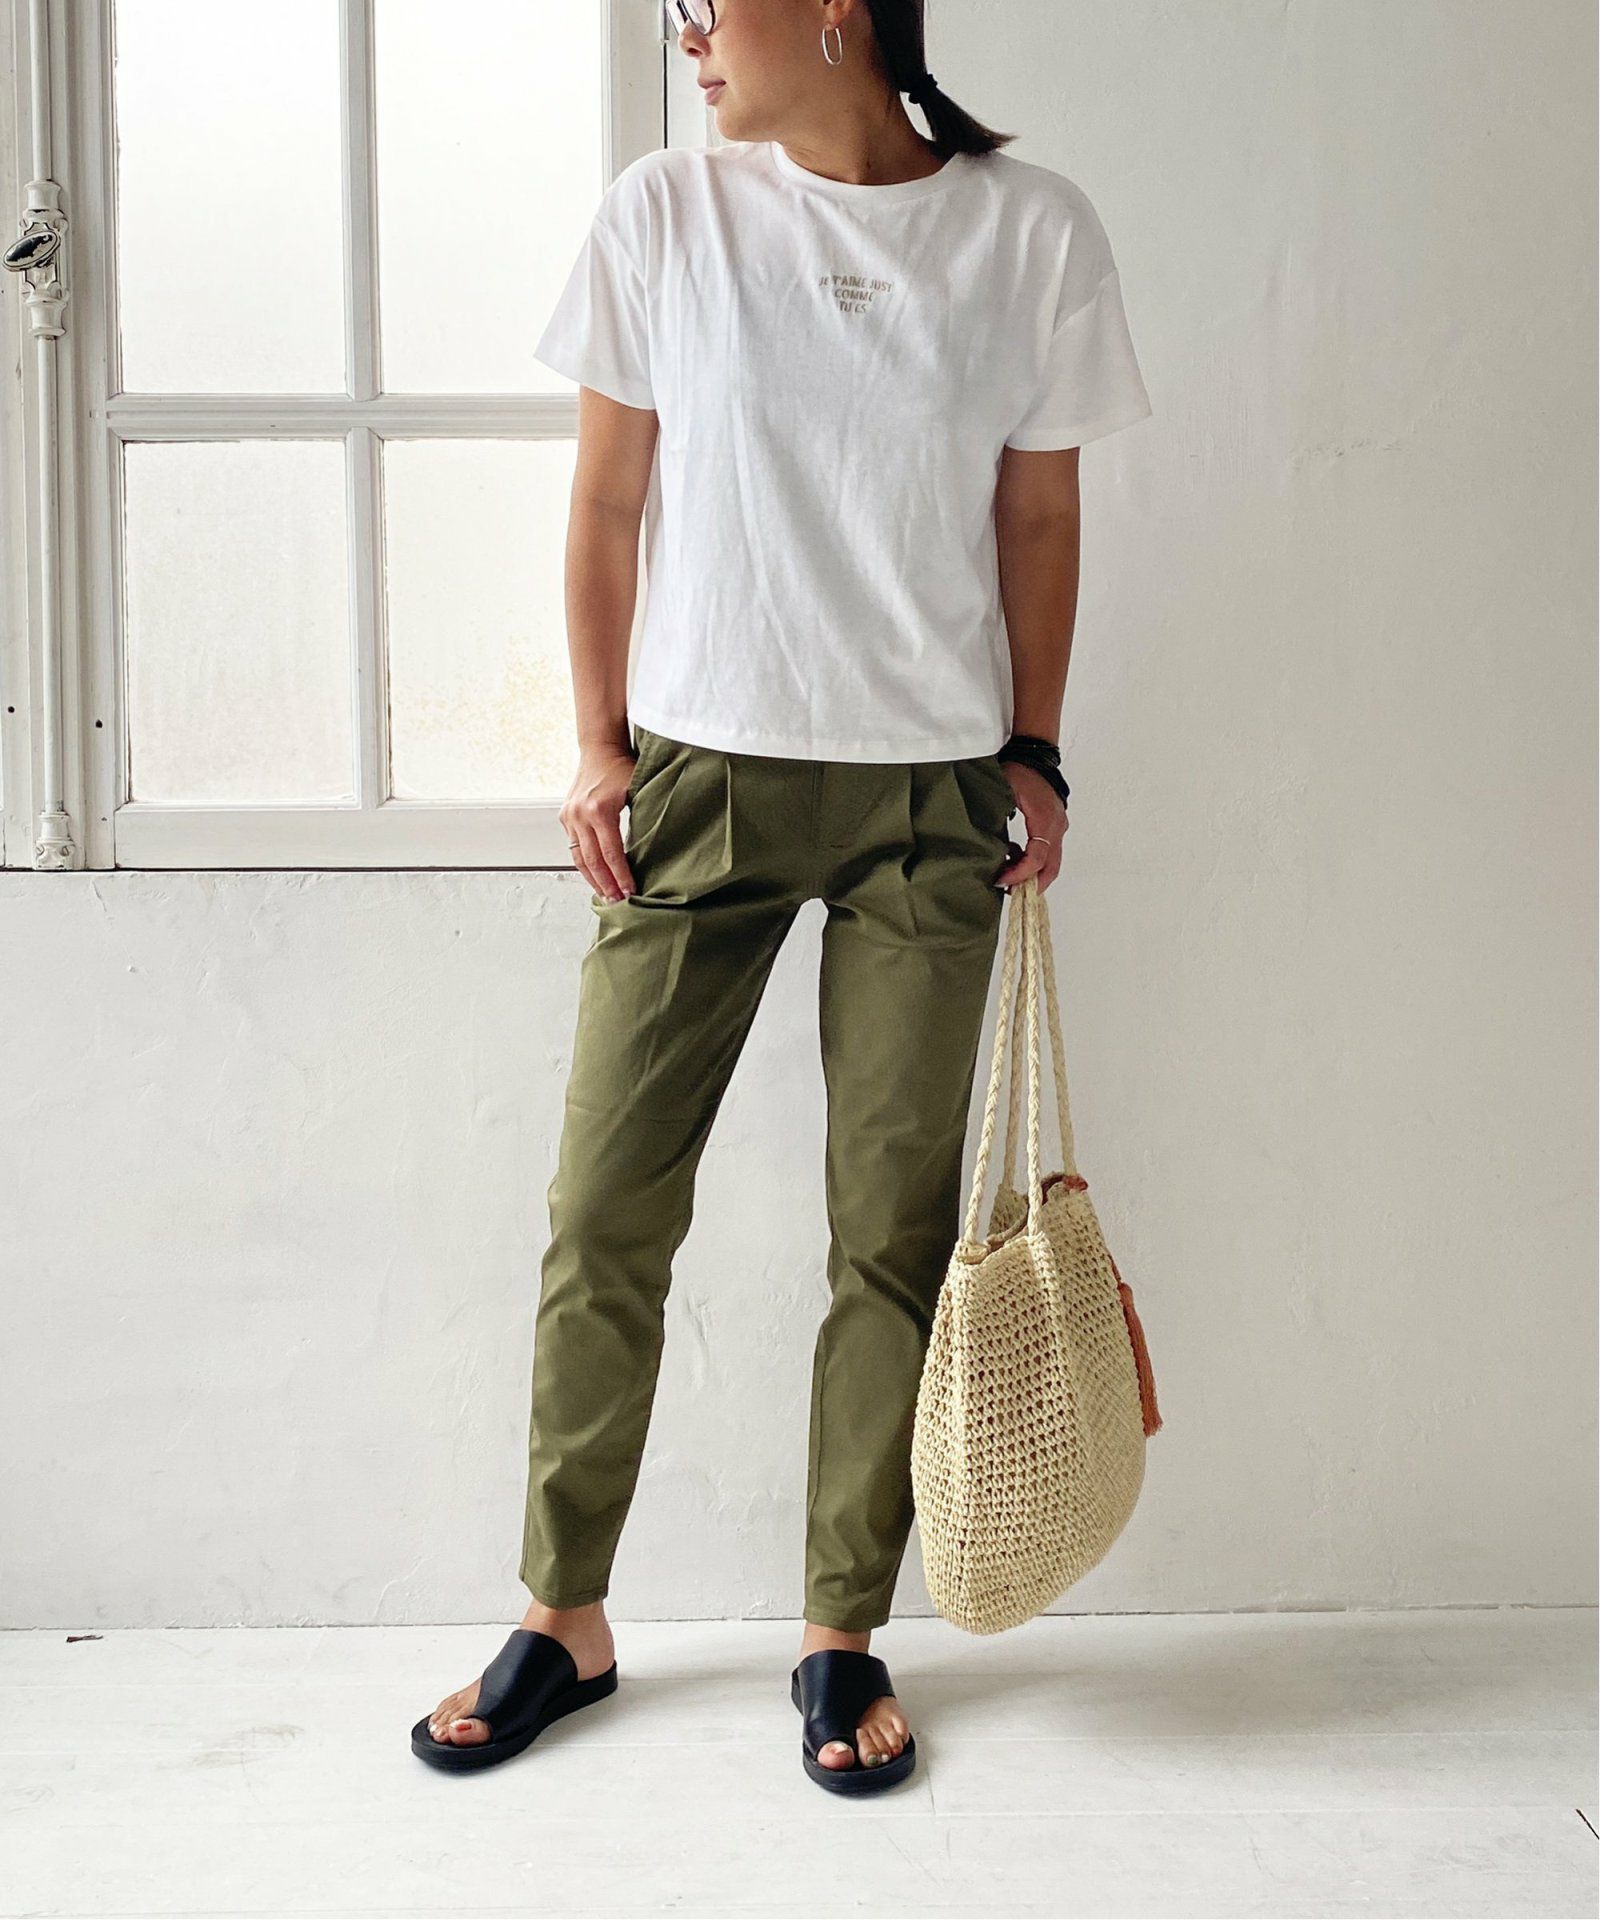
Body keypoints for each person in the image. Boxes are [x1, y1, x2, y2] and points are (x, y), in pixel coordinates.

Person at [412, 0, 1152, 1792]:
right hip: (698, 781)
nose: (686, 35)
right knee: (606, 1210)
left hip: (930, 798)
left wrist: (1035, 749)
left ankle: (841, 1635)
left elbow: (1038, 519)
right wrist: (599, 746)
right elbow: (608, 502)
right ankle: (565, 1614)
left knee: (888, 1234)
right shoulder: (665, 213)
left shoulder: (1029, 231)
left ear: (832, 7)